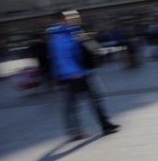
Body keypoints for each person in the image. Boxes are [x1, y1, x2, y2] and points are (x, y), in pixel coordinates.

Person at [47, 10, 120, 141]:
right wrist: (73, 72)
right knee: (72, 104)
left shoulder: (74, 32)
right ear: (65, 19)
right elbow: (62, 56)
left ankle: (105, 125)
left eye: (77, 16)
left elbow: (85, 50)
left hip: (84, 72)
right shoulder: (59, 35)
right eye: (73, 17)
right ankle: (75, 132)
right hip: (71, 75)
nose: (77, 19)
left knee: (95, 100)